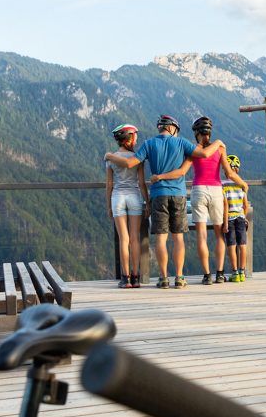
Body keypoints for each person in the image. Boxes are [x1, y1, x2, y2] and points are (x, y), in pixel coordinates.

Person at [104, 114, 224, 289]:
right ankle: (180, 277)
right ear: (172, 128)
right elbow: (205, 153)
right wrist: (219, 142)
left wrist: (109, 156)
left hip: (158, 194)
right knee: (178, 238)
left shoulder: (148, 144)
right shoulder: (181, 142)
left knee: (161, 239)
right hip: (178, 194)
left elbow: (130, 163)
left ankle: (163, 278)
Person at [151, 116, 248, 285]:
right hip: (217, 191)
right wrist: (244, 185)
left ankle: (207, 275)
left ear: (196, 133)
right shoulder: (219, 149)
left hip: (199, 191)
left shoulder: (193, 150)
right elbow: (230, 174)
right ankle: (219, 273)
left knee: (201, 236)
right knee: (219, 235)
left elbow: (182, 171)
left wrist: (160, 177)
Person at [105, 124, 149, 288]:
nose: (137, 139)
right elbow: (142, 183)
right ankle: (136, 277)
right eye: (135, 136)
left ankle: (125, 278)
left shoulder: (110, 158)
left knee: (124, 239)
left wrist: (108, 205)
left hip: (117, 197)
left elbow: (109, 184)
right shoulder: (137, 158)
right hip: (134, 197)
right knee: (134, 239)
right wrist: (148, 202)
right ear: (129, 138)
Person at [222, 154, 250, 282]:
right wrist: (244, 216)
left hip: (229, 218)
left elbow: (225, 205)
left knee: (231, 245)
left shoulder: (223, 184)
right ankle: (242, 272)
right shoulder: (242, 184)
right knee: (242, 244)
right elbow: (245, 204)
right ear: (237, 168)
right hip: (240, 217)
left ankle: (234, 273)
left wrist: (225, 223)